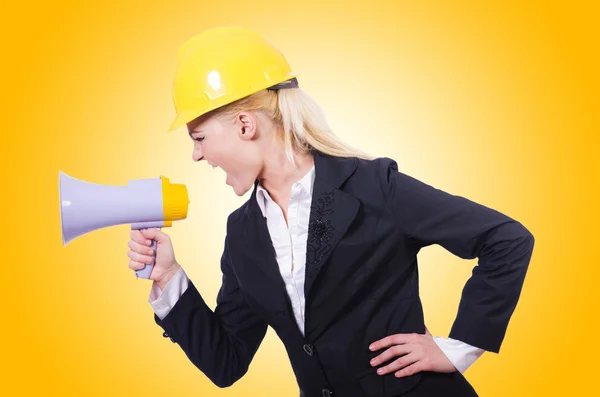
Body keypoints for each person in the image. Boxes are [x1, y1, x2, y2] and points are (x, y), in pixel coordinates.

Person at [126, 26, 535, 397]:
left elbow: (506, 240)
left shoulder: (374, 186)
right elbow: (226, 362)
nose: (197, 155)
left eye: (199, 137)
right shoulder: (243, 233)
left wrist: (458, 348)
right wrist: (168, 276)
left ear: (245, 125)